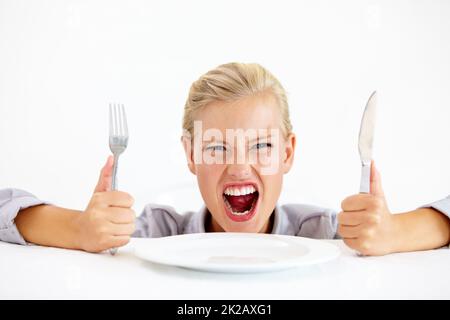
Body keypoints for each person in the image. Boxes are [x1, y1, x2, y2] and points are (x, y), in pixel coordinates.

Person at [1, 63, 449, 256]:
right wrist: (79, 229)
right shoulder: (154, 233)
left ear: (288, 153)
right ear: (191, 154)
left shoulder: (327, 234)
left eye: (261, 146)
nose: (239, 167)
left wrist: (393, 234)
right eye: (216, 146)